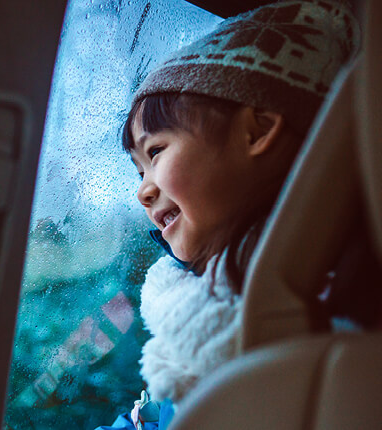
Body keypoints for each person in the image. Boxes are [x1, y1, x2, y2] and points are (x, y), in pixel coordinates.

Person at [96, 1, 360, 429]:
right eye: (139, 170)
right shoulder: (205, 292)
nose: (142, 191)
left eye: (157, 151)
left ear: (256, 131)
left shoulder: (326, 295)